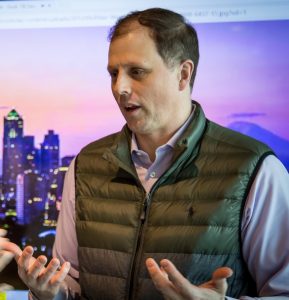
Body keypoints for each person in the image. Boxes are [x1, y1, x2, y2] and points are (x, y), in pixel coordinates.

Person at [5, 7, 289, 300]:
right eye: (113, 73)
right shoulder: (85, 165)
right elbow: (72, 283)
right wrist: (47, 294)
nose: (120, 87)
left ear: (183, 74)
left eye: (136, 72)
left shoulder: (255, 169)